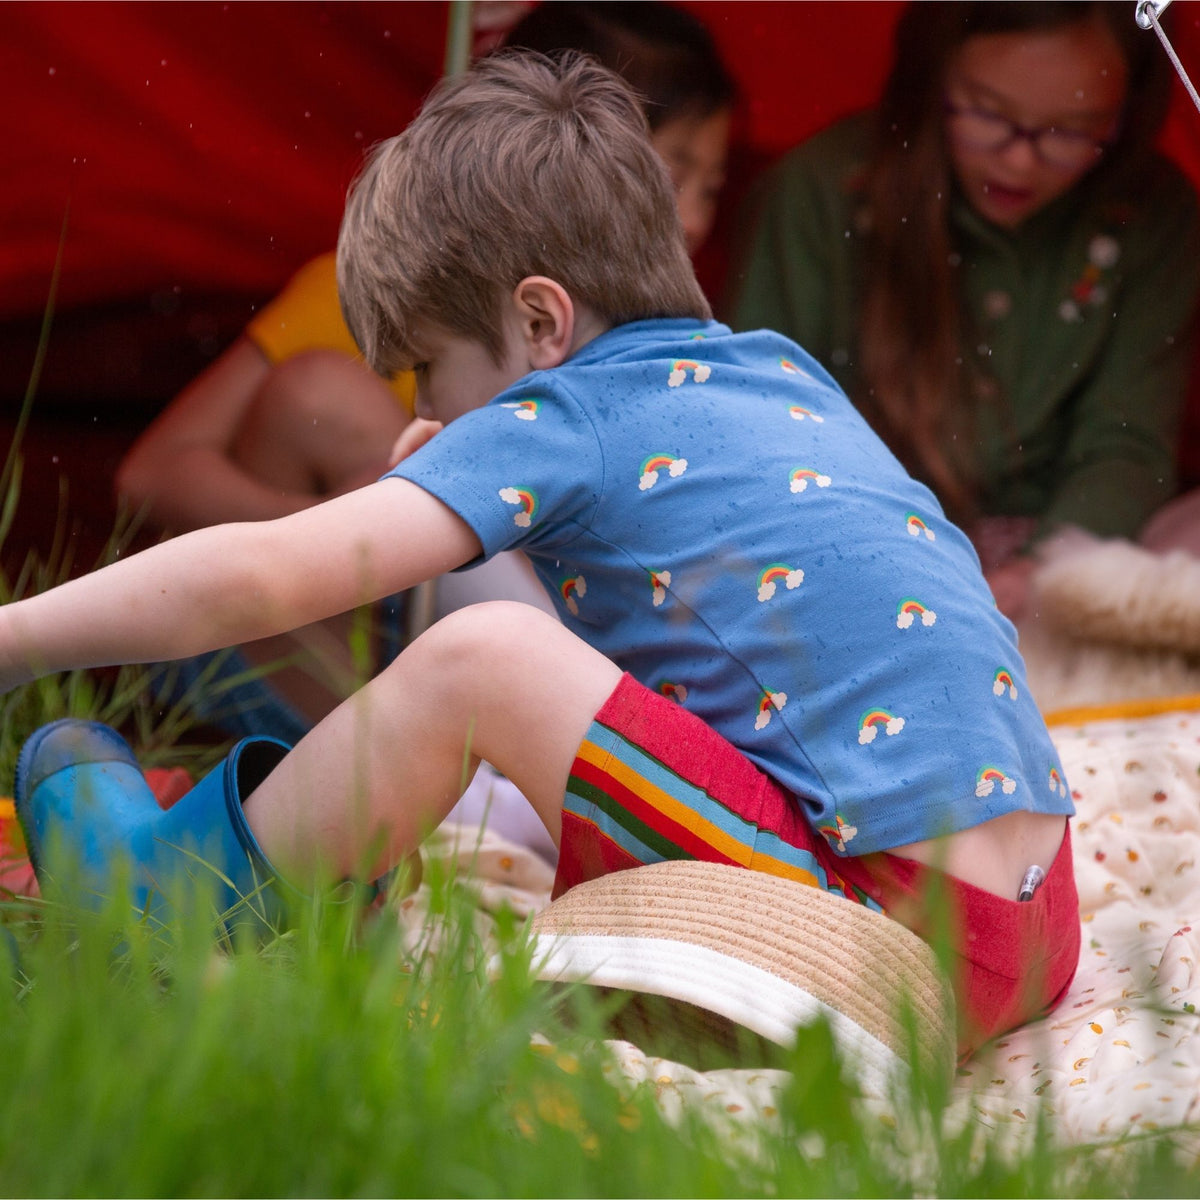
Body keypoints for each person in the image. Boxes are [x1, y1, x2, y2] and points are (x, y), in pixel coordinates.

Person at [6, 52, 1078, 1059]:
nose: (425, 407)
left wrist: (15, 636)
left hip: (886, 938)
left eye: (427, 366)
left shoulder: (567, 416)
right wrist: (481, 478)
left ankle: (162, 908)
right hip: (1028, 931)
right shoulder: (773, 372)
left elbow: (259, 577)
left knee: (483, 660)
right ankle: (312, 873)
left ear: (540, 320)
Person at [114, 0, 735, 744]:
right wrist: (342, 532)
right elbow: (148, 476)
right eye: (672, 175)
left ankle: (539, 756)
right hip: (304, 660)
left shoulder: (660, 350)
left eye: (711, 188)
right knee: (326, 400)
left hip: (534, 673)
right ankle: (355, 768)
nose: (691, 219)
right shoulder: (368, 292)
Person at [727, 1, 1200, 620]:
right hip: (848, 548)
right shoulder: (822, 190)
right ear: (933, 80)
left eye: (1071, 129)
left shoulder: (1153, 214)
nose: (1019, 160)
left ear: (1128, 114)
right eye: (988, 113)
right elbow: (764, 429)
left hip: (1063, 556)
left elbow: (1126, 446)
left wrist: (1035, 573)